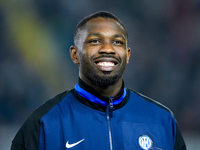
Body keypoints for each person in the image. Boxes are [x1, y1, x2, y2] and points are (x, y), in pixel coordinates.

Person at [11, 11, 186, 150]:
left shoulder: (162, 120)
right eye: (95, 41)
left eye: (117, 42)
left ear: (128, 55)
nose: (108, 49)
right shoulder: (43, 123)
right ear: (74, 54)